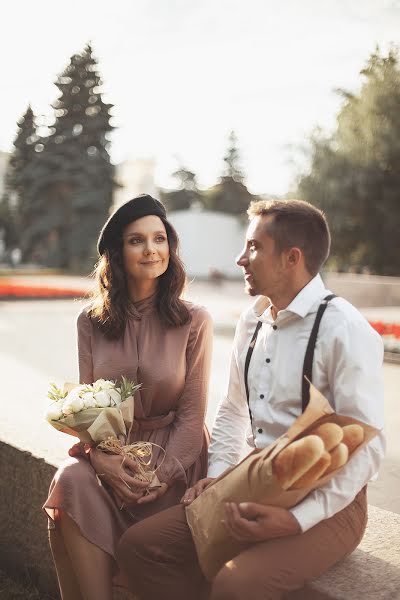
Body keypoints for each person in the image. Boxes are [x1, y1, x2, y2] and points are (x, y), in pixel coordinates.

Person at [116, 199, 385, 600]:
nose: (240, 259)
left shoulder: (344, 329)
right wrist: (221, 473)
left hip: (332, 503)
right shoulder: (253, 319)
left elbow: (367, 450)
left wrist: (294, 521)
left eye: (254, 247)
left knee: (236, 583)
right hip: (253, 481)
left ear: (291, 258)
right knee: (140, 547)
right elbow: (232, 409)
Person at [43, 194, 213, 600]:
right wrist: (101, 459)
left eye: (159, 238)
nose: (151, 250)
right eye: (137, 240)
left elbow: (192, 416)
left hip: (175, 460)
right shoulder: (90, 321)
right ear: (118, 252)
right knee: (70, 480)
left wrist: (162, 474)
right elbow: (89, 407)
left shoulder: (195, 320)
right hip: (112, 454)